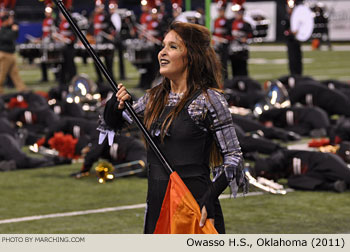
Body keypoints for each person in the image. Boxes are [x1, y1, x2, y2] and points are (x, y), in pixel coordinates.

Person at [103, 22, 245, 234]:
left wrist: (210, 196)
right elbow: (114, 124)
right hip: (157, 206)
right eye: (163, 46)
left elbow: (234, 156)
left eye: (173, 47)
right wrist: (115, 106)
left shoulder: (209, 99)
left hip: (193, 206)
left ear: (191, 55)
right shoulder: (153, 98)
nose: (162, 52)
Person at [0, 12, 27, 94]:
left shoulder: (9, 29)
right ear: (6, 20)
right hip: (5, 55)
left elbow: (15, 37)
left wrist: (15, 31)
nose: (12, 20)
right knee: (1, 76)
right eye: (10, 19)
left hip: (11, 54)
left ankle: (23, 91)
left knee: (15, 75)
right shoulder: (2, 30)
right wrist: (14, 31)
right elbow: (7, 38)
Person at [228, 6, 253, 77]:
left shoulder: (246, 24)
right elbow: (228, 35)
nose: (237, 14)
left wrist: (246, 38)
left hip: (242, 50)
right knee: (234, 70)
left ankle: (244, 84)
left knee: (243, 70)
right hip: (233, 50)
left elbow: (250, 35)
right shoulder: (231, 23)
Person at [282, 0, 303, 75]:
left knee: (298, 58)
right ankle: (293, 73)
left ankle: (299, 73)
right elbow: (285, 32)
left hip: (297, 41)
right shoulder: (286, 18)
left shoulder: (297, 18)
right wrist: (291, 33)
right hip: (290, 41)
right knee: (292, 58)